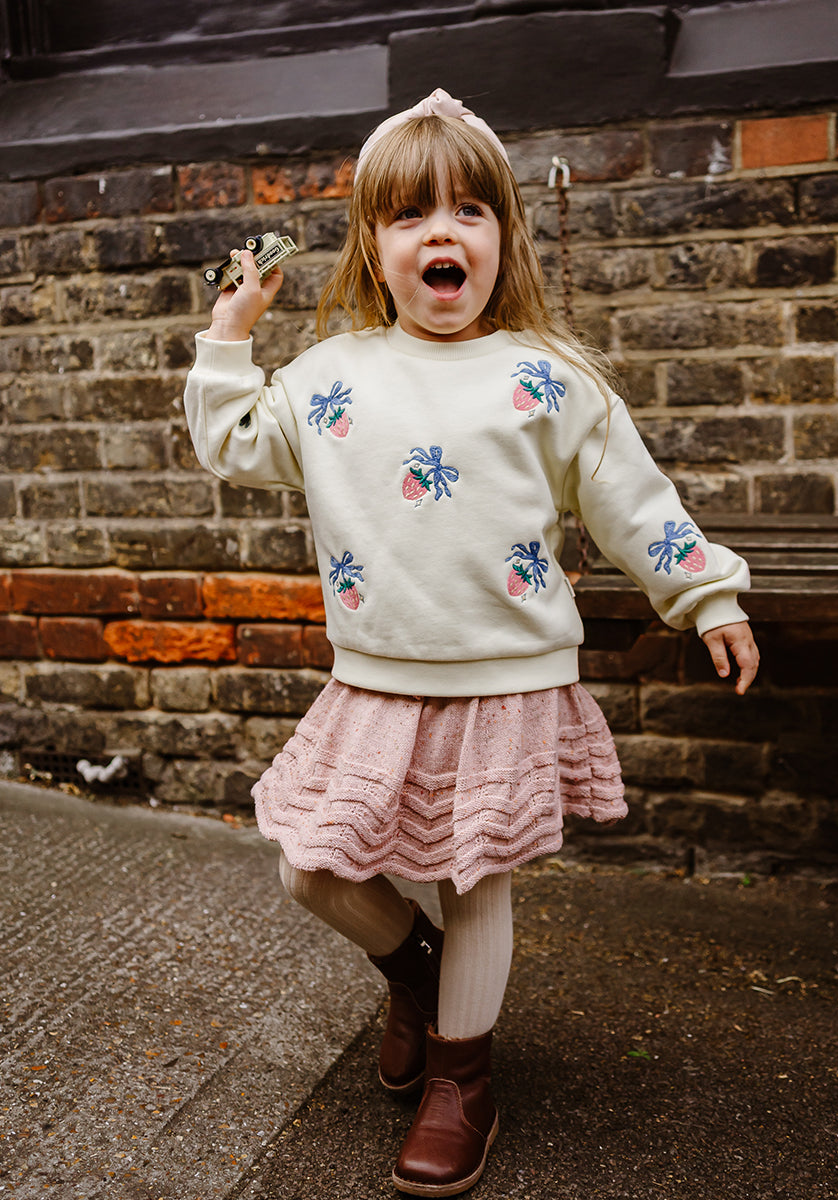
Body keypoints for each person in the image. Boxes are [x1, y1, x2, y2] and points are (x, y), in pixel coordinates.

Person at [183, 88, 759, 1197]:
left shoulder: (548, 378)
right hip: (378, 679)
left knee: (475, 874)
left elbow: (634, 501)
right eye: (410, 215)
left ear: (503, 235)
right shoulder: (334, 375)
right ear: (375, 246)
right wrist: (230, 335)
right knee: (313, 869)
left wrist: (707, 595)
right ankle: (419, 975)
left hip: (508, 681)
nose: (440, 233)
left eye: (468, 211)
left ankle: (464, 1081)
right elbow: (236, 443)